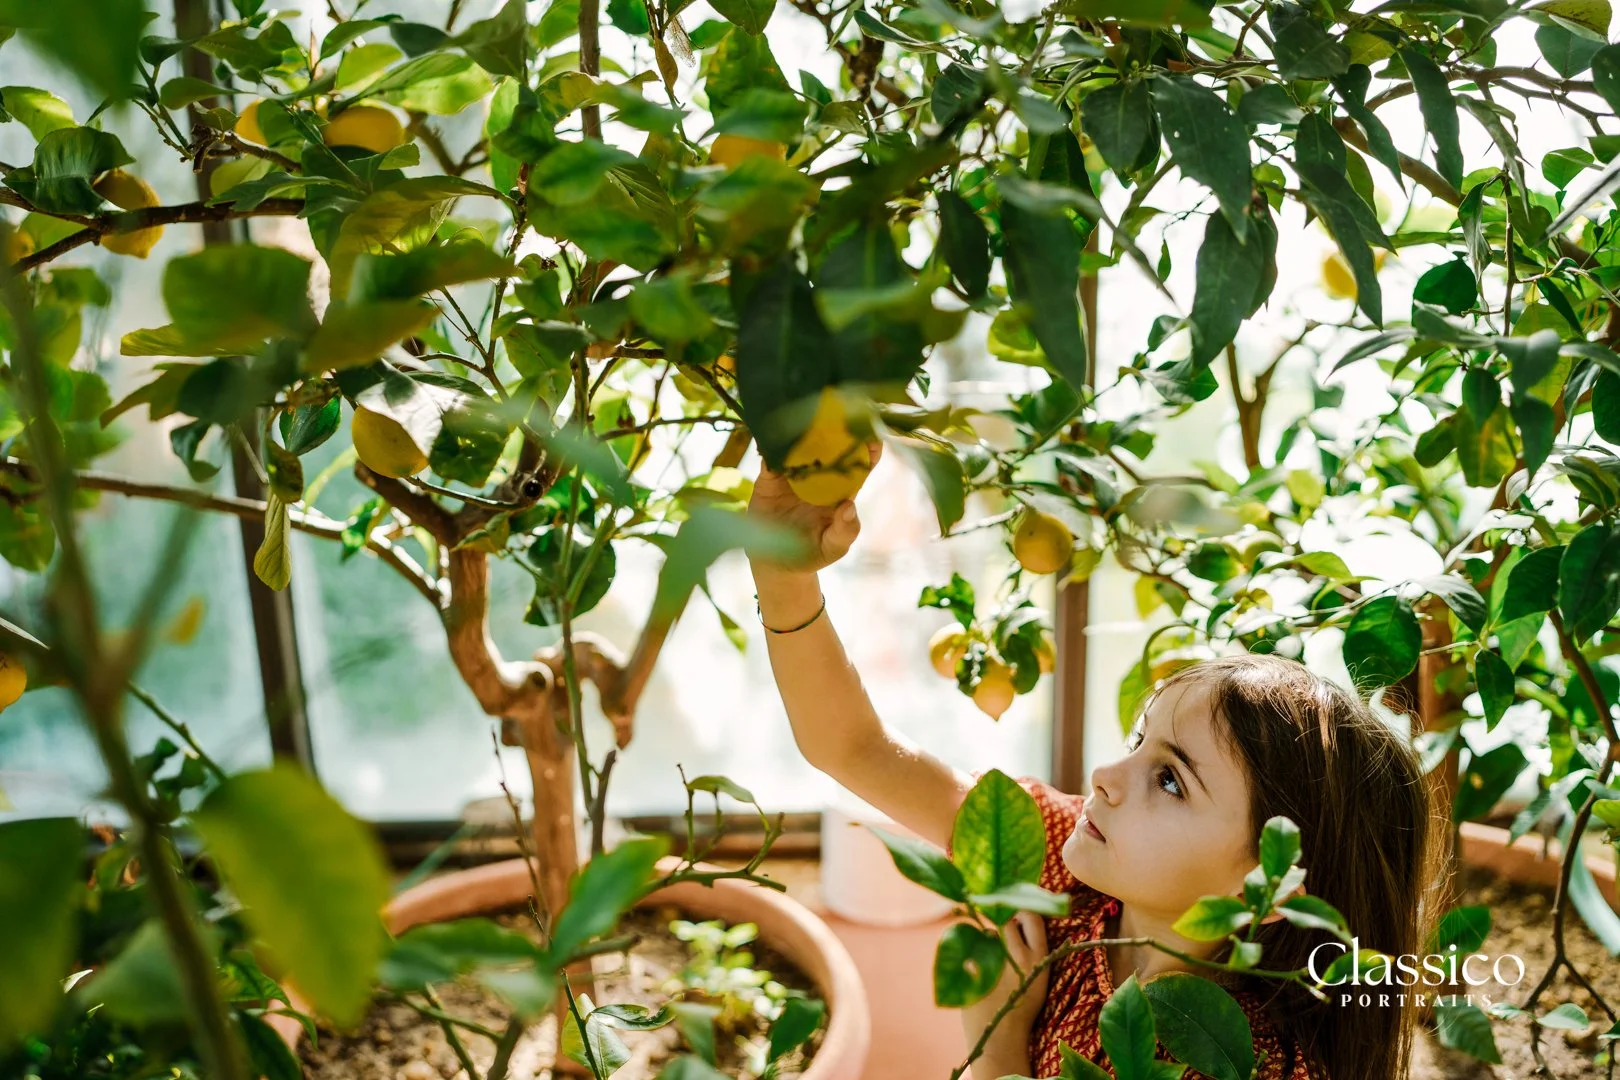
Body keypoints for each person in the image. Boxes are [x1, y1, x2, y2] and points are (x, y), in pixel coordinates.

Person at [745, 443, 1452, 1080]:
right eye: (1138, 743)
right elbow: (858, 750)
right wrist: (783, 577)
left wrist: (996, 1052)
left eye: (1170, 780)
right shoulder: (1071, 872)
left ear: (1267, 885)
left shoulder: (1242, 1066)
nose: (1106, 779)